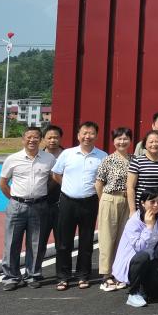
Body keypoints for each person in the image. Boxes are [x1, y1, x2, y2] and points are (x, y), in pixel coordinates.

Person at [0, 127, 56, 290]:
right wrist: (15, 199)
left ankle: (33, 275)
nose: (32, 140)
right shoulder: (13, 159)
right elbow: (3, 183)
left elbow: (54, 178)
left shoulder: (49, 158)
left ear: (41, 140)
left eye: (36, 137)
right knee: (12, 242)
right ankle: (11, 277)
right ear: (23, 139)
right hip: (17, 206)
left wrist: (43, 193)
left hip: (39, 206)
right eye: (29, 137)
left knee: (36, 243)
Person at [52, 121, 107, 290]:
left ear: (96, 136)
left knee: (86, 241)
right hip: (67, 201)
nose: (87, 136)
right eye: (84, 133)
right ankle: (63, 277)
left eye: (91, 133)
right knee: (64, 242)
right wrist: (69, 187)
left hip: (90, 202)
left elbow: (104, 180)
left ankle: (83, 275)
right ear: (78, 135)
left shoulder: (102, 156)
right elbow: (56, 174)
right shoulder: (67, 154)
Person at [113, 191, 158, 307]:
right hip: (133, 261)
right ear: (143, 203)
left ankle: (145, 288)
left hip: (151, 259)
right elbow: (139, 248)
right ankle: (133, 293)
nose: (156, 205)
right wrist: (149, 227)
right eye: (152, 202)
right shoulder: (134, 221)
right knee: (143, 255)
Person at [95, 127, 132, 291]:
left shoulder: (134, 159)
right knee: (107, 237)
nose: (122, 142)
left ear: (130, 141)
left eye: (125, 138)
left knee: (123, 238)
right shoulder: (107, 160)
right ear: (114, 141)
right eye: (119, 139)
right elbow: (99, 184)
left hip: (128, 201)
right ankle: (106, 275)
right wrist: (104, 201)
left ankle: (118, 272)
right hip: (110, 198)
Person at [128, 131, 158, 215]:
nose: (154, 144)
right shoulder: (137, 161)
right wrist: (132, 210)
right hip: (142, 207)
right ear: (145, 144)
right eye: (151, 142)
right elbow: (130, 187)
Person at [40, 125, 65, 251]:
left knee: (62, 243)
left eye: (56, 137)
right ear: (43, 139)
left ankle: (62, 265)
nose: (52, 140)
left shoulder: (69, 156)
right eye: (49, 138)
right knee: (39, 243)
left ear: (60, 138)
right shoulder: (38, 157)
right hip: (41, 206)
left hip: (63, 205)